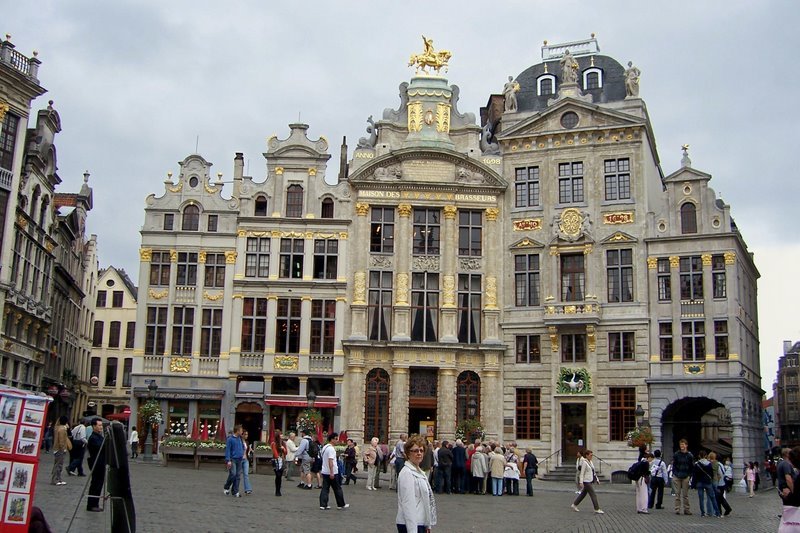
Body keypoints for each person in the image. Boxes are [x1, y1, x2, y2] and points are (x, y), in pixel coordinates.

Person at [396, 434, 437, 533]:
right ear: (408, 453)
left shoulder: (419, 471)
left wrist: (427, 524)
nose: (419, 453)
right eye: (415, 451)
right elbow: (408, 503)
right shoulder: (407, 473)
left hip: (420, 522)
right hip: (410, 523)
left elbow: (425, 500)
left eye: (421, 450)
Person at [319, 432, 348, 510]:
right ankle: (341, 504)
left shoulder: (325, 447)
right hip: (332, 472)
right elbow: (330, 461)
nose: (337, 440)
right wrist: (332, 472)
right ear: (331, 439)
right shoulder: (331, 449)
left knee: (325, 488)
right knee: (337, 488)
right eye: (336, 439)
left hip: (325, 471)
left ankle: (323, 504)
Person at [86, 417, 106, 512]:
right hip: (96, 464)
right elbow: (102, 447)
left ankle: (95, 503)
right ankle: (91, 504)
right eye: (99, 425)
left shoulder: (99, 436)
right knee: (95, 484)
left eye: (101, 425)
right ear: (94, 426)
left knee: (99, 484)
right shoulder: (93, 438)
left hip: (101, 463)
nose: (101, 427)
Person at [692, 450, 718, 517]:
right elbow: (711, 474)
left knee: (701, 499)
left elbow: (694, 475)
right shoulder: (709, 464)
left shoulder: (697, 464)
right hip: (708, 482)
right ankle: (717, 513)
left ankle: (703, 513)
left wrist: (693, 484)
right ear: (706, 456)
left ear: (699, 456)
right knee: (712, 497)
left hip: (700, 483)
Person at [671, 438, 693, 515]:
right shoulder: (676, 454)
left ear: (686, 445)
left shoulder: (689, 455)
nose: (682, 446)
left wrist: (689, 475)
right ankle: (677, 509)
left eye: (683, 444)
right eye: (681, 444)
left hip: (685, 476)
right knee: (677, 494)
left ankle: (686, 509)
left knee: (685, 494)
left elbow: (691, 466)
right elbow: (674, 465)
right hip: (677, 475)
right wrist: (675, 473)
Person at [223, 424, 245, 497]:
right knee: (233, 474)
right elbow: (228, 450)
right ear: (237, 431)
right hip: (233, 459)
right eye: (241, 430)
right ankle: (226, 487)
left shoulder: (240, 438)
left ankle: (235, 491)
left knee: (238, 476)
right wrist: (228, 460)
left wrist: (243, 454)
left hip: (240, 459)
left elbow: (242, 447)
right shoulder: (230, 439)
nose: (242, 432)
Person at [710, 452, 731, 516]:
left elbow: (719, 474)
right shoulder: (721, 464)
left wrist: (717, 481)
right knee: (720, 498)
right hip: (723, 483)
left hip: (719, 484)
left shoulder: (717, 465)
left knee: (718, 498)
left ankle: (722, 510)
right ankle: (723, 510)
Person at [51, 416, 71, 486]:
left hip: (57, 448)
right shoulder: (62, 429)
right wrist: (63, 449)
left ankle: (58, 479)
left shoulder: (57, 428)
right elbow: (61, 441)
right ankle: (55, 479)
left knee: (58, 464)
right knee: (58, 465)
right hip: (60, 449)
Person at [271, 429, 287, 496]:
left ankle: (279, 490)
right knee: (277, 475)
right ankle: (277, 490)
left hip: (282, 460)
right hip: (276, 460)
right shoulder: (274, 443)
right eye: (281, 434)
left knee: (280, 476)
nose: (282, 436)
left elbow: (286, 452)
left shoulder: (283, 443)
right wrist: (278, 457)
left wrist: (284, 449)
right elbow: (274, 452)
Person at [241, 429, 253, 495]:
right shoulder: (239, 441)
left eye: (247, 434)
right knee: (235, 475)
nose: (246, 436)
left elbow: (247, 450)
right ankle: (230, 486)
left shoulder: (247, 442)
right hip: (239, 459)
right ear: (242, 435)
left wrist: (250, 449)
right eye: (245, 434)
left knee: (246, 474)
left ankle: (247, 489)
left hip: (245, 460)